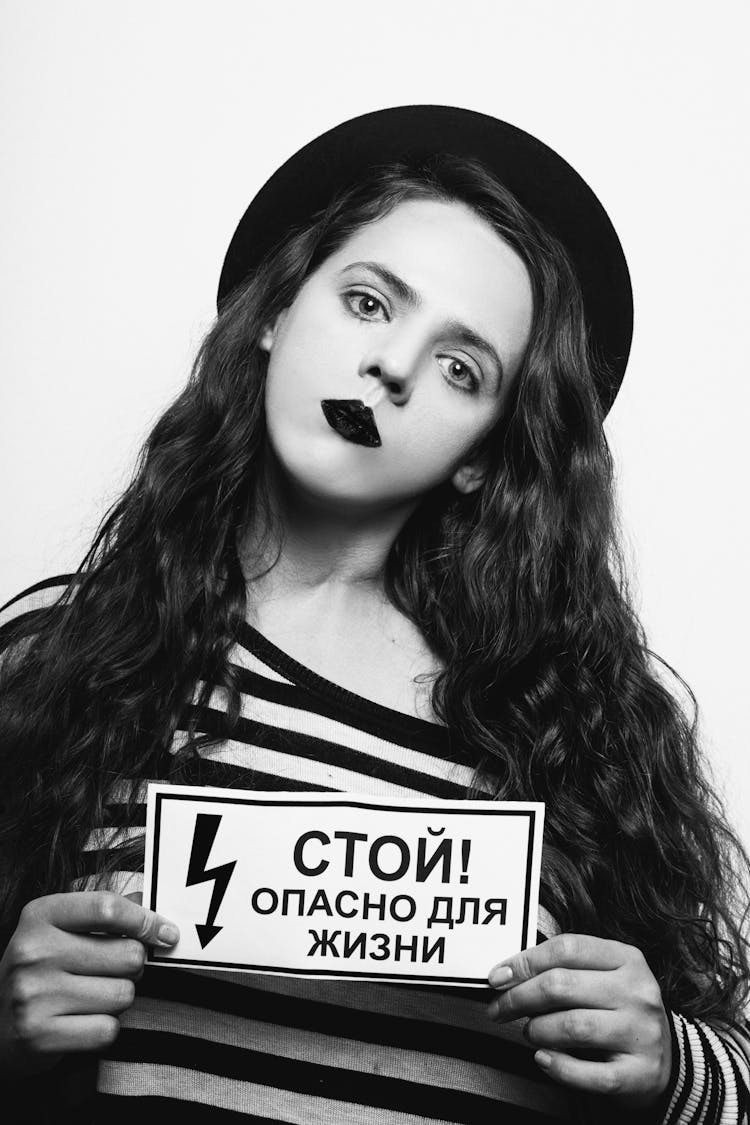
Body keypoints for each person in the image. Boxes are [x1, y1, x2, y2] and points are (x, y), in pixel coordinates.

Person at [0, 105, 748, 1124]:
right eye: (366, 302)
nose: (393, 366)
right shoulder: (57, 656)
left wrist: (671, 1065)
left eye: (459, 368)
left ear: (487, 452)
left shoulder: (570, 730)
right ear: (274, 314)